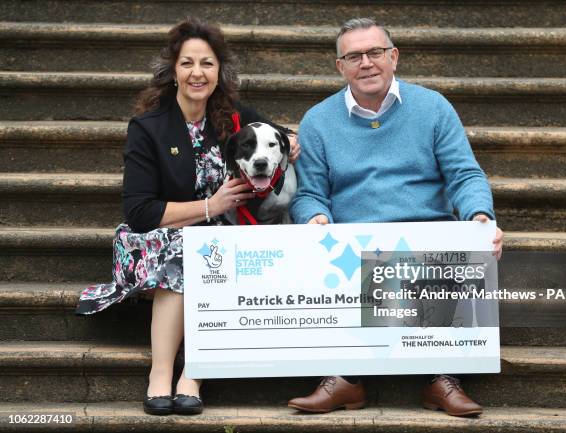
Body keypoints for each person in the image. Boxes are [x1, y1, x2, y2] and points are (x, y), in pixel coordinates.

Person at [75, 17, 299, 416]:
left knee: (208, 249)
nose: (198, 73)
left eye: (207, 64)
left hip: (217, 234)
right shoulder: (149, 127)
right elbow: (140, 211)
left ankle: (193, 374)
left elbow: (277, 135)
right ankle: (164, 373)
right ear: (173, 71)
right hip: (158, 236)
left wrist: (292, 141)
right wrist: (211, 206)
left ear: (219, 72)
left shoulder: (232, 117)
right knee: (188, 251)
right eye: (188, 63)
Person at [288, 18, 503, 417]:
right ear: (341, 66)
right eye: (354, 56)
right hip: (355, 238)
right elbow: (310, 193)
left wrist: (478, 215)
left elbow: (465, 174)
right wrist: (315, 217)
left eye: (375, 53)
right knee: (341, 254)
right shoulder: (318, 120)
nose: (366, 63)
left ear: (394, 57)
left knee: (449, 247)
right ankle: (346, 379)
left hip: (425, 230)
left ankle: (440, 376)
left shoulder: (433, 107)